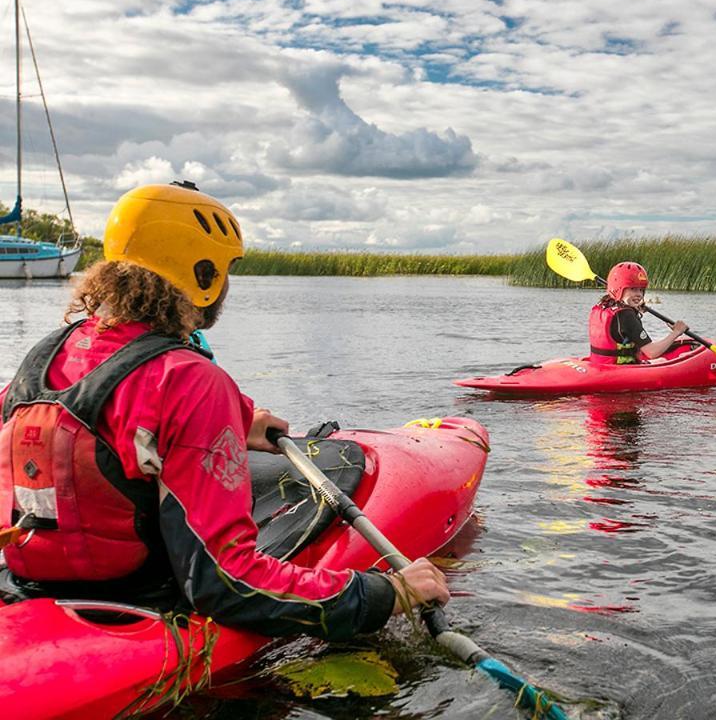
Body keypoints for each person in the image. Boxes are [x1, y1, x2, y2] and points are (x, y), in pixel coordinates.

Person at [0, 183, 446, 640]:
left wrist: (232, 422)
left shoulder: (44, 356)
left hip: (26, 591)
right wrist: (384, 594)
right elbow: (225, 584)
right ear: (203, 271)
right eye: (227, 269)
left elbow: (103, 425)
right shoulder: (190, 380)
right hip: (138, 606)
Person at [589, 261, 688, 364]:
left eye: (641, 290)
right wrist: (676, 332)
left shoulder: (602, 306)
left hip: (599, 365)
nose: (639, 295)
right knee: (662, 360)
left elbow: (619, 328)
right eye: (633, 289)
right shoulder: (627, 316)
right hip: (621, 371)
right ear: (619, 289)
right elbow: (652, 352)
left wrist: (635, 309)